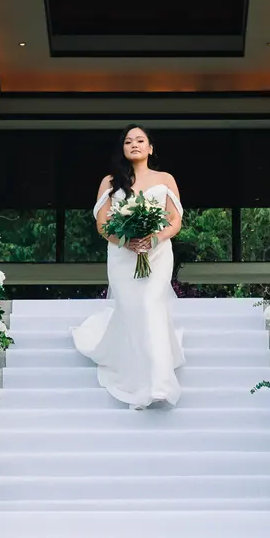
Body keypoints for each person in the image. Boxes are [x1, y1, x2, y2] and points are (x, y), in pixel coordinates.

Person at [70, 124, 186, 408]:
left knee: (150, 304)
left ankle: (159, 382)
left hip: (157, 254)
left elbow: (175, 220)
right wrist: (126, 241)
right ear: (122, 149)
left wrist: (154, 239)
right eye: (128, 141)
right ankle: (133, 372)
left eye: (140, 140)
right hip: (123, 256)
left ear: (150, 147)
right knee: (132, 308)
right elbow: (102, 224)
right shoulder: (111, 181)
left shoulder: (165, 178)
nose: (134, 144)